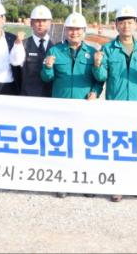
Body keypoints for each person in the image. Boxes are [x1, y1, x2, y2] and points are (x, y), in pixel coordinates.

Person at [40, 12, 102, 200]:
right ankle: (63, 182)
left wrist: (95, 91)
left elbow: (99, 79)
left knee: (85, 145)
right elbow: (46, 79)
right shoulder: (55, 51)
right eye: (71, 29)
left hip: (84, 106)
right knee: (63, 145)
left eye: (78, 29)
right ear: (66, 31)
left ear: (84, 31)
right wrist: (48, 67)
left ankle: (86, 182)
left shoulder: (93, 53)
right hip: (62, 107)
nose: (74, 33)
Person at [93, 6, 137, 102]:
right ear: (116, 24)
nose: (126, 26)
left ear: (135, 24)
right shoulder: (107, 48)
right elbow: (102, 77)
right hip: (115, 102)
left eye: (130, 23)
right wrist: (97, 65)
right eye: (122, 23)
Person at [10, 5, 55, 97]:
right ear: (31, 23)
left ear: (50, 23)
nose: (41, 24)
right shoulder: (22, 44)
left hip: (50, 98)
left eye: (44, 21)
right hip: (28, 97)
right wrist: (17, 44)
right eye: (37, 21)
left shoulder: (57, 47)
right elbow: (15, 62)